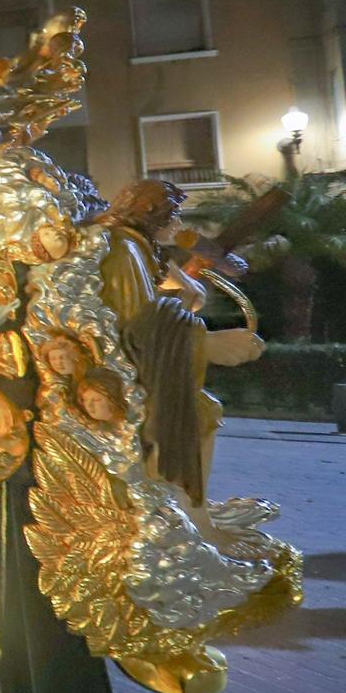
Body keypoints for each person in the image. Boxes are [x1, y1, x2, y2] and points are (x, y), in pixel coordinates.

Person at [95, 180, 262, 504]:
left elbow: (162, 304)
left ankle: (189, 508)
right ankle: (171, 507)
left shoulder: (141, 250)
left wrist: (183, 289)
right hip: (130, 378)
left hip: (150, 367)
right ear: (149, 213)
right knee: (200, 412)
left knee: (206, 409)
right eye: (172, 215)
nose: (177, 224)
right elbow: (136, 328)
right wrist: (205, 342)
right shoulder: (123, 252)